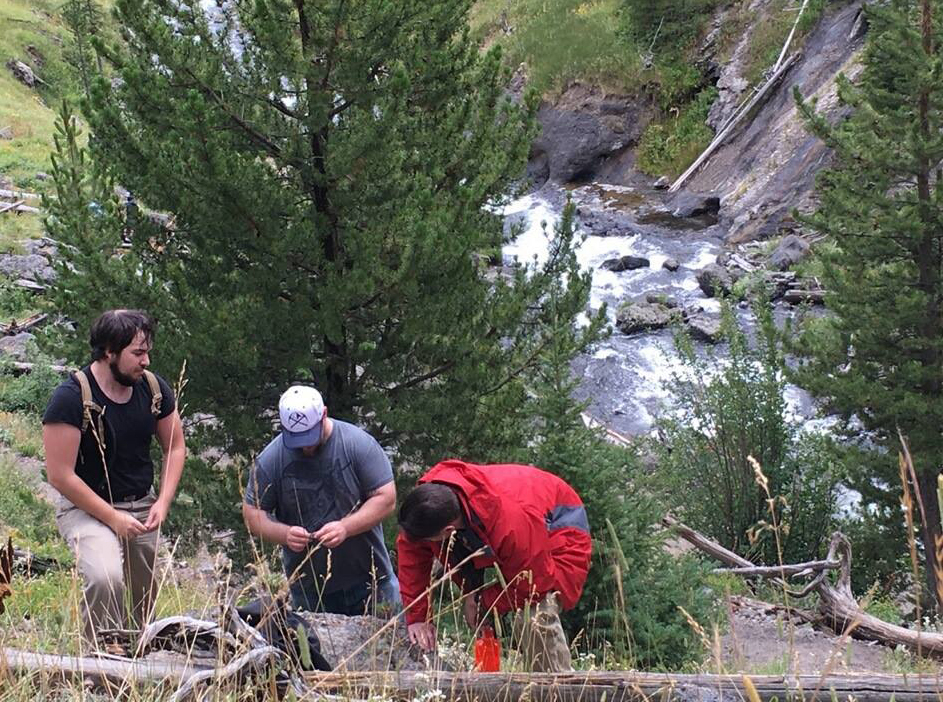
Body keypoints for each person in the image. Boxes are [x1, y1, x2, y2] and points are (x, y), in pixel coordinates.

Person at [42, 309, 185, 644]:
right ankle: (99, 664)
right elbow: (59, 475)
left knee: (142, 598)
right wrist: (112, 517)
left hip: (142, 505)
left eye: (148, 351)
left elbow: (175, 447)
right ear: (109, 351)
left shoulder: (152, 389)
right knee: (105, 578)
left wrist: (162, 502)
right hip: (87, 509)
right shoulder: (71, 398)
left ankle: (137, 662)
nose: (146, 361)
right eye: (137, 353)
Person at [396, 460, 592, 672]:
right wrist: (417, 617)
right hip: (517, 519)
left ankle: (555, 688)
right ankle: (492, 680)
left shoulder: (511, 527)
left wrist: (481, 601)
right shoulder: (429, 502)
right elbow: (412, 552)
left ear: (448, 531)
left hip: (560, 524)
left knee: (534, 615)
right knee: (482, 614)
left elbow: (533, 584)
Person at [242, 385, 399, 616]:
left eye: (309, 436)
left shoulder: (358, 444)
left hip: (373, 582)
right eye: (297, 438)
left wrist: (345, 527)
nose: (305, 446)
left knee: (389, 650)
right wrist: (284, 534)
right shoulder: (271, 460)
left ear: (324, 414)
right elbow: (252, 514)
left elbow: (386, 498)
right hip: (310, 590)